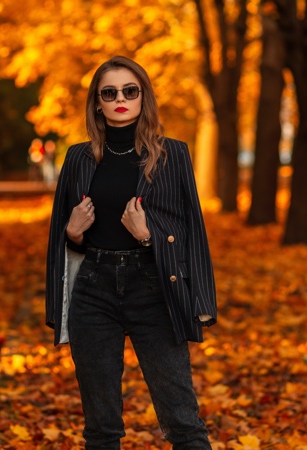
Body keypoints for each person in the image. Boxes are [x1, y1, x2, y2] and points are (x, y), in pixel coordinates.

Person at [45, 56, 217, 449]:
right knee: (101, 429)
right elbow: (64, 238)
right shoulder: (77, 158)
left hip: (154, 288)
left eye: (130, 90)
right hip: (93, 290)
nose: (120, 98)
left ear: (143, 97)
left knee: (182, 421)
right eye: (110, 92)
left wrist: (148, 236)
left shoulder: (173, 155)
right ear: (98, 103)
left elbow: (192, 233)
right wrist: (72, 234)